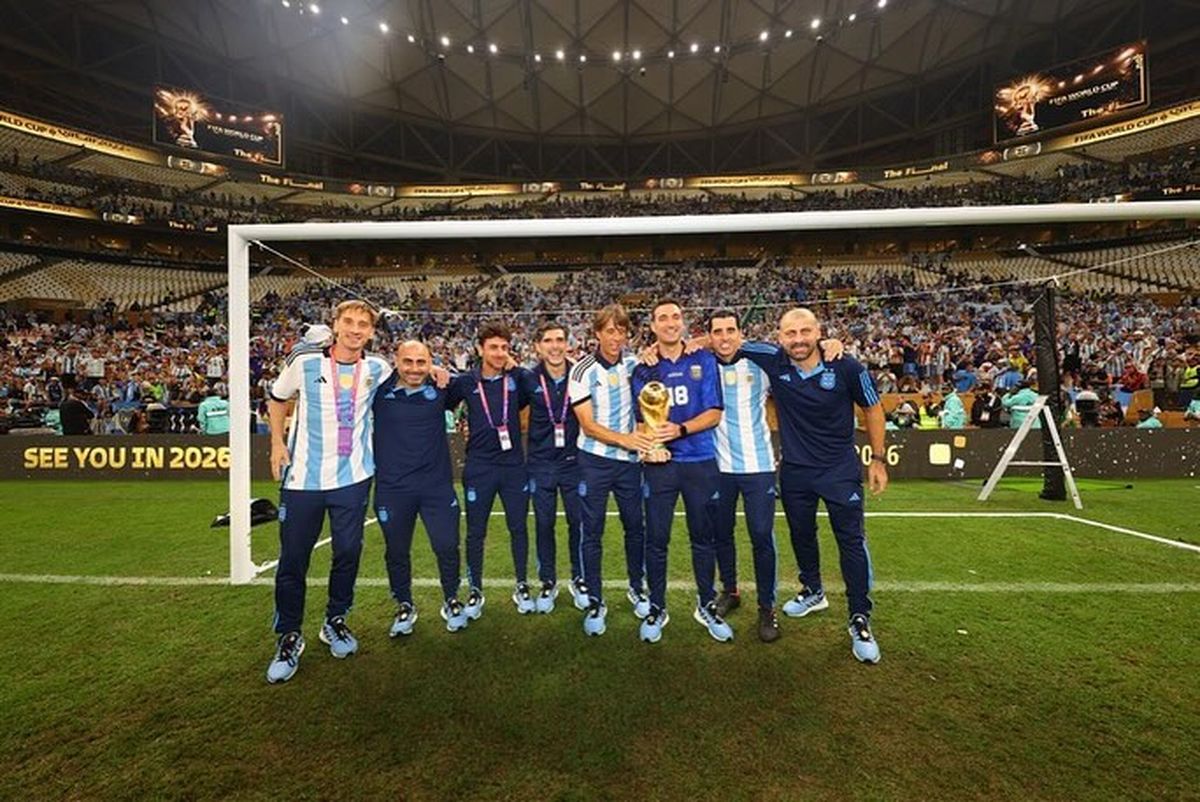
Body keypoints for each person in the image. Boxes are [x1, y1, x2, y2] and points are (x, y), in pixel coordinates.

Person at [739, 308, 888, 664]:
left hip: (839, 472)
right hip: (795, 472)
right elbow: (723, 342)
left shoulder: (847, 366)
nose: (798, 339)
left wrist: (878, 459)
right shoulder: (773, 360)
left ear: (819, 332)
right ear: (779, 337)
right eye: (790, 333)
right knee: (801, 535)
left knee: (850, 540)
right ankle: (813, 590)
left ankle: (859, 617)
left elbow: (873, 408)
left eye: (806, 331)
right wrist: (672, 344)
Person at [265, 300, 391, 684]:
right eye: (348, 322)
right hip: (303, 480)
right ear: (335, 325)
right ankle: (289, 635)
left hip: (352, 478)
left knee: (348, 552)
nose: (355, 329)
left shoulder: (378, 368)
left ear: (371, 332)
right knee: (293, 560)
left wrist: (435, 370)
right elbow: (277, 398)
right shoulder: (304, 360)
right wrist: (276, 443)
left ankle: (334, 620)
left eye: (363, 325)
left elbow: (408, 378)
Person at [632, 300, 726, 643]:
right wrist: (651, 446)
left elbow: (714, 412)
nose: (671, 323)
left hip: (699, 461)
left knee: (703, 538)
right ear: (653, 326)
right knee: (656, 540)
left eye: (676, 317)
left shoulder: (703, 358)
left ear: (683, 323)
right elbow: (641, 421)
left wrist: (681, 430)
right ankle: (657, 606)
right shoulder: (643, 368)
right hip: (661, 466)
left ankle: (706, 604)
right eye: (663, 318)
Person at [568, 303, 655, 637]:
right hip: (595, 462)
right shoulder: (582, 371)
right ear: (597, 333)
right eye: (609, 330)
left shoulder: (635, 364)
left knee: (636, 528)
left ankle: (637, 587)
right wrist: (629, 441)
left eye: (621, 331)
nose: (616, 337)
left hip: (629, 465)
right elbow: (588, 426)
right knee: (592, 532)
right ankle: (595, 600)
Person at [372, 340, 469, 636]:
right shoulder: (377, 391)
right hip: (393, 489)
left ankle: (451, 598)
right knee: (397, 551)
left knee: (446, 546)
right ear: (396, 361)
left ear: (430, 363)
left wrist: (443, 371)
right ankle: (404, 604)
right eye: (408, 362)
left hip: (436, 487)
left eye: (421, 362)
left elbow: (478, 381)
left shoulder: (442, 389)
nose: (414, 368)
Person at [445, 322, 533, 620]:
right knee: (475, 532)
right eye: (493, 347)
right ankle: (475, 589)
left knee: (518, 528)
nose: (499, 353)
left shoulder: (517, 379)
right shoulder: (465, 382)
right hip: (479, 467)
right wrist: (437, 373)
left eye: (504, 347)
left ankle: (521, 585)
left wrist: (515, 367)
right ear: (479, 348)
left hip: (513, 467)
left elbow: (536, 386)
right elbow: (441, 402)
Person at [707, 310, 782, 642]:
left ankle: (767, 607)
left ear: (741, 333)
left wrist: (829, 344)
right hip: (720, 468)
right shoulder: (703, 366)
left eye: (730, 330)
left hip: (759, 467)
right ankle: (731, 590)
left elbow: (798, 354)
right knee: (721, 533)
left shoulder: (760, 363)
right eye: (717, 331)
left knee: (761, 536)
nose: (724, 337)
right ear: (708, 336)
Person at [516, 322, 585, 613]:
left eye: (560, 339)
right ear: (538, 346)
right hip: (540, 463)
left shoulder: (581, 373)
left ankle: (580, 579)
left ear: (567, 343)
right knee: (544, 524)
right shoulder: (528, 378)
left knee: (578, 523)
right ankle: (548, 581)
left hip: (574, 462)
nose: (555, 346)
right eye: (548, 340)